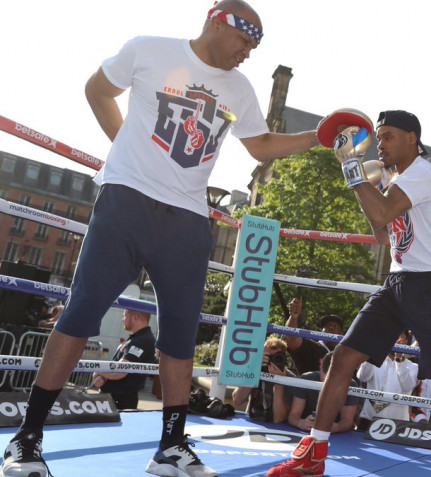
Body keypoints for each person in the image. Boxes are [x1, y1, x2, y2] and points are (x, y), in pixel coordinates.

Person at [1, 2, 322, 476]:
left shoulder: (240, 87)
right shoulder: (149, 50)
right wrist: (123, 147)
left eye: (256, 47)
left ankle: (171, 448)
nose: (248, 54)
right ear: (217, 22)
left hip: (189, 218)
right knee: (80, 313)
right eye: (245, 41)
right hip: (127, 199)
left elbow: (260, 145)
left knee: (180, 337)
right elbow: (97, 90)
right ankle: (26, 440)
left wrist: (320, 135)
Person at [266, 110, 431, 477]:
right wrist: (363, 183)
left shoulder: (423, 174)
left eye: (389, 136)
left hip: (430, 287)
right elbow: (383, 233)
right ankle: (315, 451)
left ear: (412, 138)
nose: (380, 144)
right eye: (378, 137)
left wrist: (352, 166)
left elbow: (381, 213)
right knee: (342, 358)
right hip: (397, 283)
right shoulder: (396, 180)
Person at [91, 309, 156, 410]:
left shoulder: (142, 340)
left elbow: (120, 371)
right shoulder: (138, 338)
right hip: (116, 397)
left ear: (135, 318)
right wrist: (103, 377)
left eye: (125, 316)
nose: (123, 320)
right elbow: (118, 367)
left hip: (120, 399)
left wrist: (97, 371)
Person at [357, 331, 418, 430]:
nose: (396, 341)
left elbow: (407, 386)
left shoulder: (413, 367)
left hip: (397, 424)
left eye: (399, 338)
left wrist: (399, 360)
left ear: (406, 341)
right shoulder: (373, 359)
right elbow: (362, 377)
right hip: (368, 420)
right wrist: (371, 353)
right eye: (393, 337)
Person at [287, 351, 359, 434]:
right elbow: (293, 415)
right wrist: (301, 423)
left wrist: (334, 427)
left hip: (336, 437)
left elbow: (347, 421)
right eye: (324, 380)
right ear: (320, 368)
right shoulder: (306, 379)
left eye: (332, 382)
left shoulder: (350, 384)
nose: (327, 386)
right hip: (305, 432)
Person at [232, 337, 296, 424]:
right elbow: (237, 400)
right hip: (252, 420)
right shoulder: (254, 370)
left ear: (284, 358)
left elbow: (279, 419)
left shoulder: (290, 378)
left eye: (277, 357)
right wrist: (254, 371)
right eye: (268, 357)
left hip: (276, 427)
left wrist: (279, 383)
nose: (272, 361)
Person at [283, 297, 345, 375]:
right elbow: (292, 338)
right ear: (321, 331)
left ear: (342, 334)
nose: (331, 328)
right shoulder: (312, 347)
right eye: (327, 326)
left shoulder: (347, 354)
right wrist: (293, 317)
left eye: (335, 326)